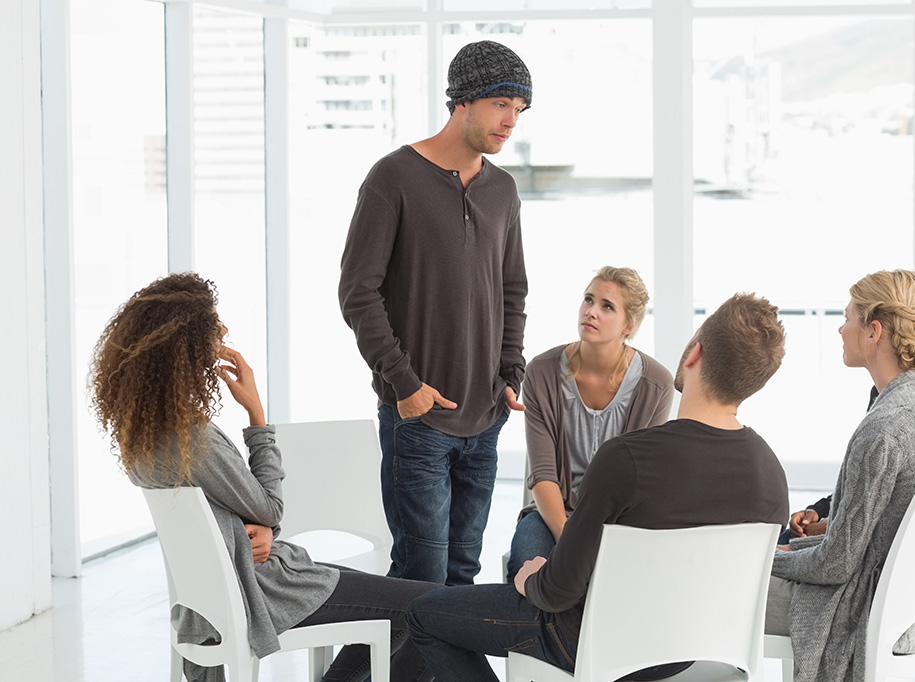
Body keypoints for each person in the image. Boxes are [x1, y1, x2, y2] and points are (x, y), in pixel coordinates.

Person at [404, 293, 790, 681]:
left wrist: (532, 577)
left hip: (591, 642)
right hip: (683, 654)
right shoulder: (771, 476)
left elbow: (558, 593)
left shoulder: (626, 458)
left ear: (694, 353)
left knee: (423, 614)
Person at [90, 273, 441, 682]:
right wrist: (257, 414)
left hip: (231, 590)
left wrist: (254, 530)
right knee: (431, 605)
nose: (223, 330)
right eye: (212, 323)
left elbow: (242, 519)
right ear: (183, 344)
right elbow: (269, 508)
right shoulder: (192, 438)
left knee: (400, 598)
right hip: (265, 588)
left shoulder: (146, 436)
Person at [338, 39, 531, 587]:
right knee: (421, 576)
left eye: (519, 110)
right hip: (417, 417)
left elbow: (512, 289)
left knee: (460, 574)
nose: (510, 121)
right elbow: (358, 291)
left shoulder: (503, 190)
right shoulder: (393, 178)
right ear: (462, 101)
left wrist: (509, 374)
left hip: (487, 417)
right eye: (501, 104)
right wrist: (405, 384)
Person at [766, 269, 915, 682]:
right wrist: (796, 549)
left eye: (847, 319)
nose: (840, 330)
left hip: (860, 609)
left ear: (874, 331)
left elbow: (837, 565)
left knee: (718, 586)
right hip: (906, 609)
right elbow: (870, 536)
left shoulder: (884, 427)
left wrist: (765, 560)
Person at [785, 279, 915, 541]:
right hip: (867, 542)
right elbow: (868, 483)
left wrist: (823, 530)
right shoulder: (893, 395)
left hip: (879, 550)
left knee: (776, 549)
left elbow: (891, 514)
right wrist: (817, 512)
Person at [507, 266, 673, 582]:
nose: (591, 312)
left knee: (619, 581)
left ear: (629, 325)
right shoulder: (542, 373)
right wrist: (570, 539)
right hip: (552, 514)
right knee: (525, 566)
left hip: (619, 523)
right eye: (588, 300)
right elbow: (542, 474)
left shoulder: (656, 384)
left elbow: (641, 483)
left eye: (606, 306)